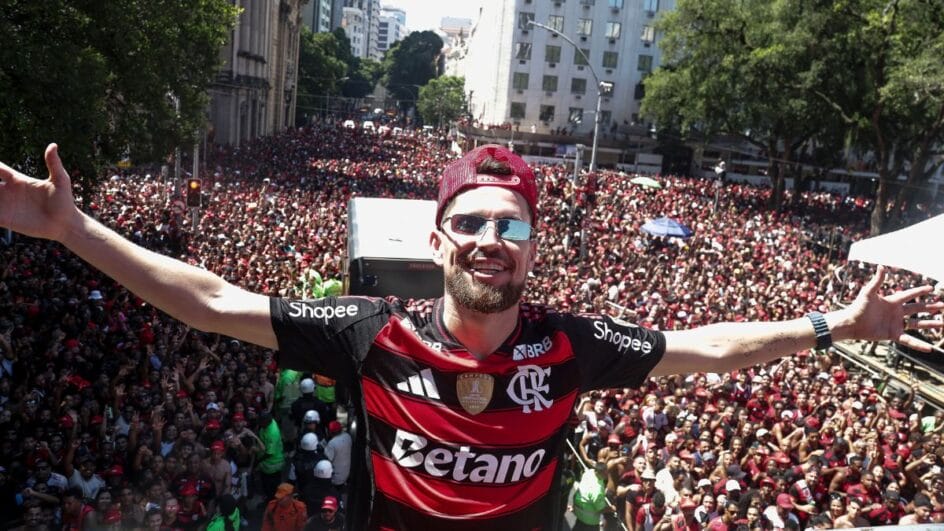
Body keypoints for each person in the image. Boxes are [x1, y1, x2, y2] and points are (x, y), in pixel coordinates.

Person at [0, 143, 940, 530]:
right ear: (439, 236)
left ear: (532, 246)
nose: (495, 240)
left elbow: (710, 343)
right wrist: (75, 232)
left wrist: (833, 325)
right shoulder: (370, 334)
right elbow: (208, 299)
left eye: (515, 226)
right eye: (477, 223)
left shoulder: (574, 344)